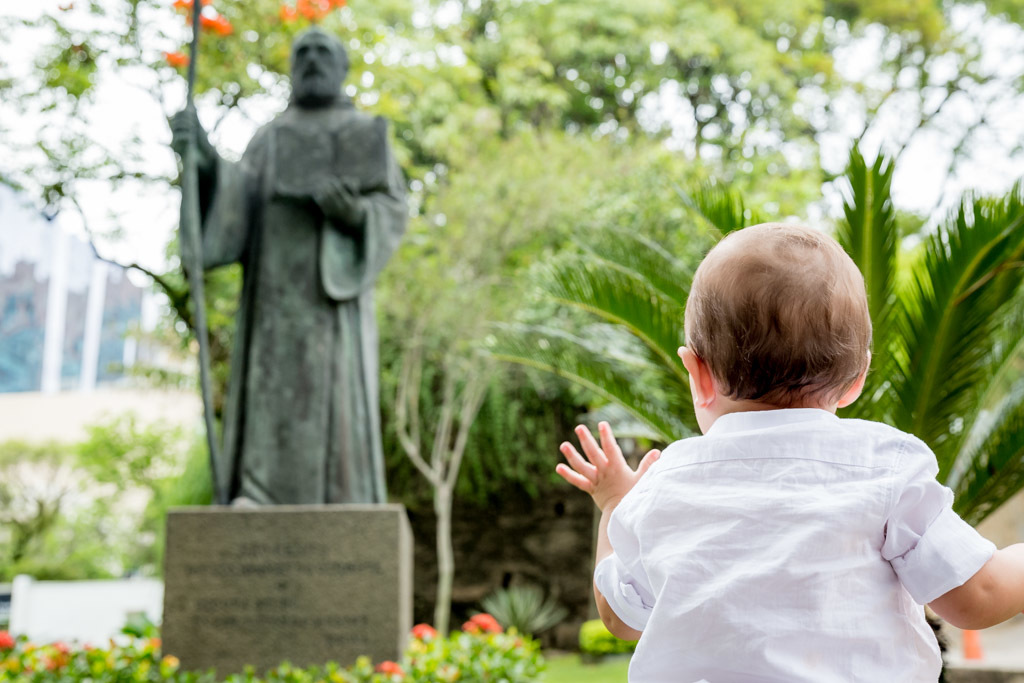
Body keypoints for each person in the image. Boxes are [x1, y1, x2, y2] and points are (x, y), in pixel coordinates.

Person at [556, 223, 1024, 682]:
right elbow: (977, 595)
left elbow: (622, 618)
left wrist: (617, 502)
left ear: (697, 374)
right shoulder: (884, 469)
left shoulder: (663, 486)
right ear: (857, 378)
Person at [170, 28, 406, 505]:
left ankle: (342, 499)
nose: (313, 60)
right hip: (275, 297)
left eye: (324, 52)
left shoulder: (363, 133)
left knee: (335, 397)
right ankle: (259, 491)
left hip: (332, 298)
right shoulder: (271, 138)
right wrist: (204, 159)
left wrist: (354, 213)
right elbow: (234, 199)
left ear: (342, 67)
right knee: (269, 392)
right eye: (303, 52)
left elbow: (393, 209)